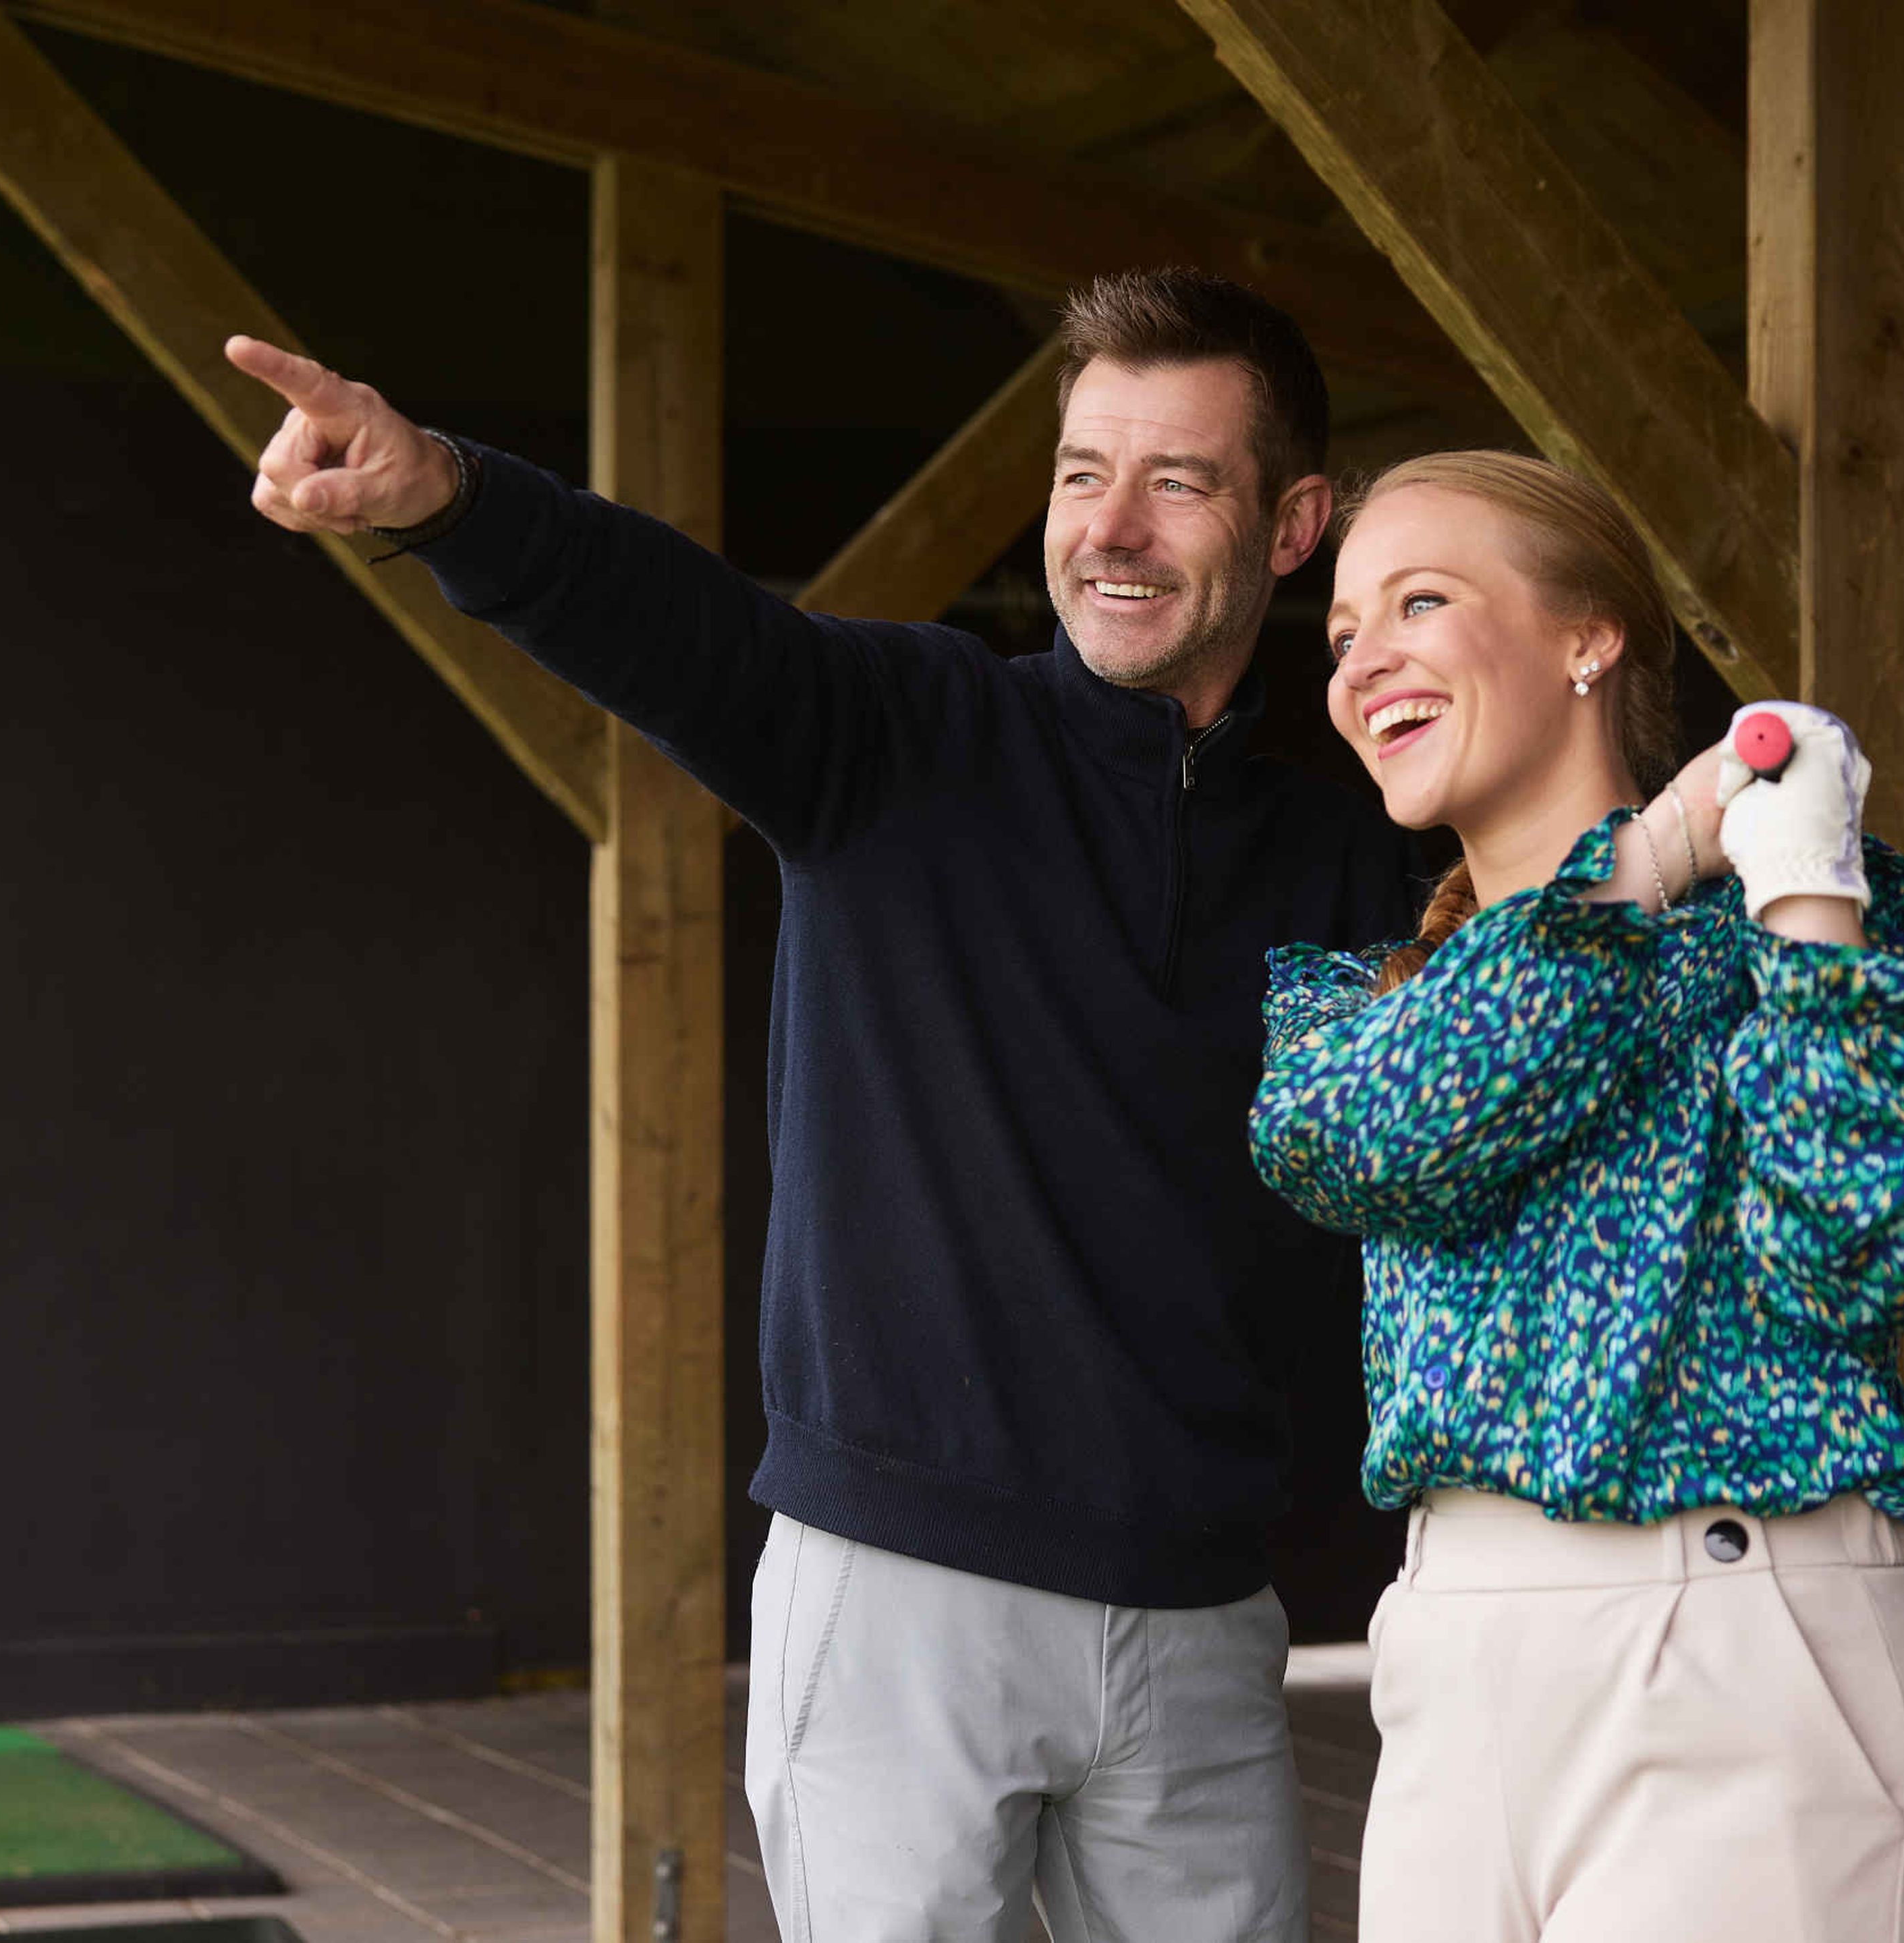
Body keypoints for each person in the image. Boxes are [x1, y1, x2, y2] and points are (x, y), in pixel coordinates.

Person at [229, 269, 1415, 1942]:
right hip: (904, 1595)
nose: (1114, 531)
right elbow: (676, 621)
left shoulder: (1353, 854)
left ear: (1293, 527)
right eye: (1084, 476)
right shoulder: (904, 732)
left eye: (1180, 481)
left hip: (1205, 1614)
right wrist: (446, 495)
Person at [1250, 451, 1904, 1942]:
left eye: (1420, 601)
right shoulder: (1360, 1006)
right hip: (1455, 1666)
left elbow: (1875, 1255)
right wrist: (1645, 860)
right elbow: (1365, 1139)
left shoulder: (1787, 928)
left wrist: (1804, 891)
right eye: (1340, 635)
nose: (1361, 660)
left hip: (1746, 1654)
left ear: (1590, 637)